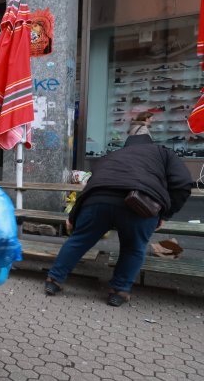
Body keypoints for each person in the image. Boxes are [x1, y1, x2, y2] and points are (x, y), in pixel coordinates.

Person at [44, 127, 192, 306]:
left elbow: (89, 187)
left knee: (78, 241)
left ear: (127, 142)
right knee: (133, 248)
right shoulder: (163, 153)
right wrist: (165, 213)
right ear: (150, 141)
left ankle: (53, 281)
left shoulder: (111, 156)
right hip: (139, 205)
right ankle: (118, 291)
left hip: (97, 201)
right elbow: (183, 183)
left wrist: (74, 216)